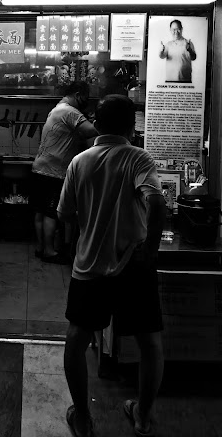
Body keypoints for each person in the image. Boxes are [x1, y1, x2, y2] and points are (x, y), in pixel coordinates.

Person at [58, 95, 166, 437]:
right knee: (149, 342)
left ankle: (83, 418)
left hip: (90, 265)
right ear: (132, 126)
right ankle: (143, 416)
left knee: (77, 340)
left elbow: (65, 214)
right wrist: (149, 250)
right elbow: (157, 203)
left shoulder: (80, 161)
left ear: (97, 125)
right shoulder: (138, 158)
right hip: (133, 264)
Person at [29, 81, 98, 264]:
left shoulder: (57, 109)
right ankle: (50, 252)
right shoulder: (70, 111)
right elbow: (92, 131)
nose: (86, 101)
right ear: (78, 94)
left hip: (39, 168)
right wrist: (101, 117)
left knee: (40, 212)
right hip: (54, 171)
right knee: (51, 212)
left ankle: (40, 247)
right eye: (85, 97)